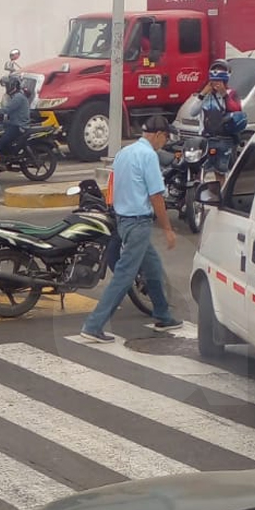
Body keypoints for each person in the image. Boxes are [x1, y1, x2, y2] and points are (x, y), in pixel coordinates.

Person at [78, 115, 180, 343]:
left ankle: (163, 315)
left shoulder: (125, 153)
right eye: (165, 138)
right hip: (138, 223)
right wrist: (168, 229)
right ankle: (93, 325)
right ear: (158, 135)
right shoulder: (148, 156)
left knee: (153, 267)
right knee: (124, 276)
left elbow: (113, 186)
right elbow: (156, 196)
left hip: (123, 220)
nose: (165, 142)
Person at [0, 71, 32, 162]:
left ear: (13, 86)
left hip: (18, 126)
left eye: (7, 85)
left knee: (0, 142)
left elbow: (6, 110)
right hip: (14, 123)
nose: (6, 88)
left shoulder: (18, 97)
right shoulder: (15, 96)